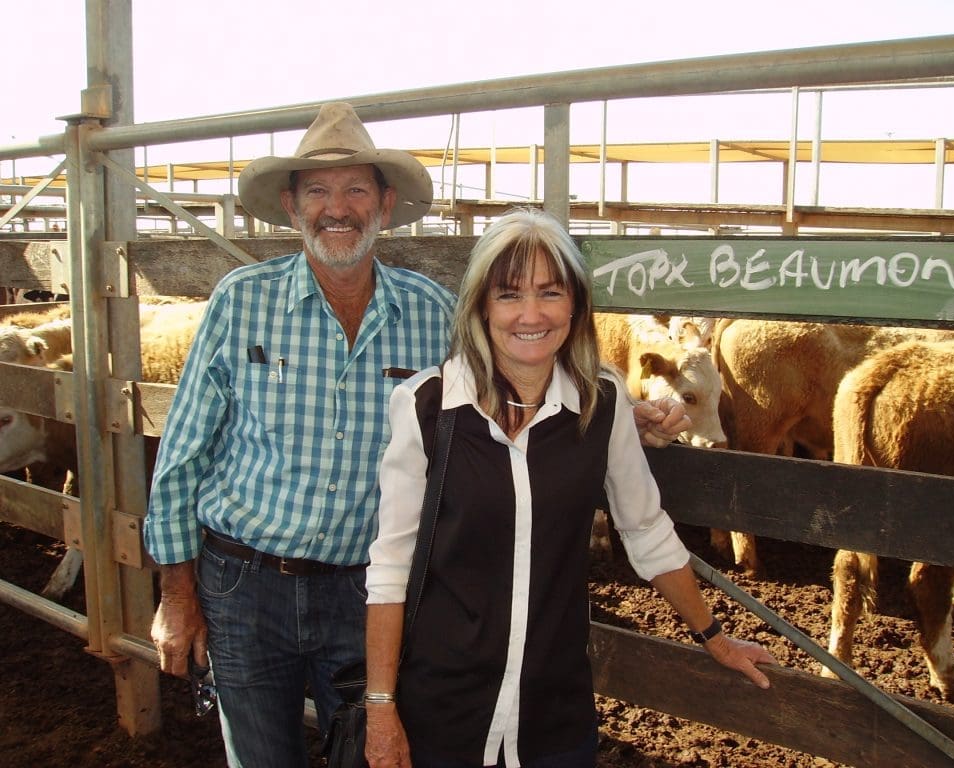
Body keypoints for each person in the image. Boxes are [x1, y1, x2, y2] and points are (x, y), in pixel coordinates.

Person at [143, 103, 690, 768]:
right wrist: (177, 597)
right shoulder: (241, 300)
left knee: (375, 751)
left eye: (355, 190)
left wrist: (612, 418)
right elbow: (183, 454)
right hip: (246, 585)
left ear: (384, 203)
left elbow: (514, 373)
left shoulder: (430, 312)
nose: (335, 208)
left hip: (368, 592)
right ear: (291, 206)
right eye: (317, 190)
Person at [364, 208, 778, 768]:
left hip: (553, 713)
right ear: (481, 306)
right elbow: (391, 568)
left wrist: (714, 636)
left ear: (576, 304)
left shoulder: (600, 402)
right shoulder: (427, 406)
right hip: (441, 713)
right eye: (509, 294)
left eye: (550, 293)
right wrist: (382, 710)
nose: (530, 314)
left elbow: (646, 531)